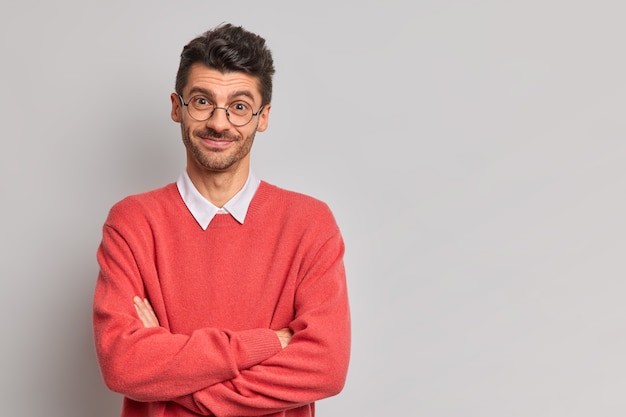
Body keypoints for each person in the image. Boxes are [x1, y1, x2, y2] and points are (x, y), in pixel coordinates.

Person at [92, 23, 351, 417]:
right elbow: (123, 365)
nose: (219, 122)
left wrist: (170, 376)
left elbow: (326, 368)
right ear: (177, 107)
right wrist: (268, 344)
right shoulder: (131, 224)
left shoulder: (309, 225)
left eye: (240, 107)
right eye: (202, 101)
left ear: (262, 117)